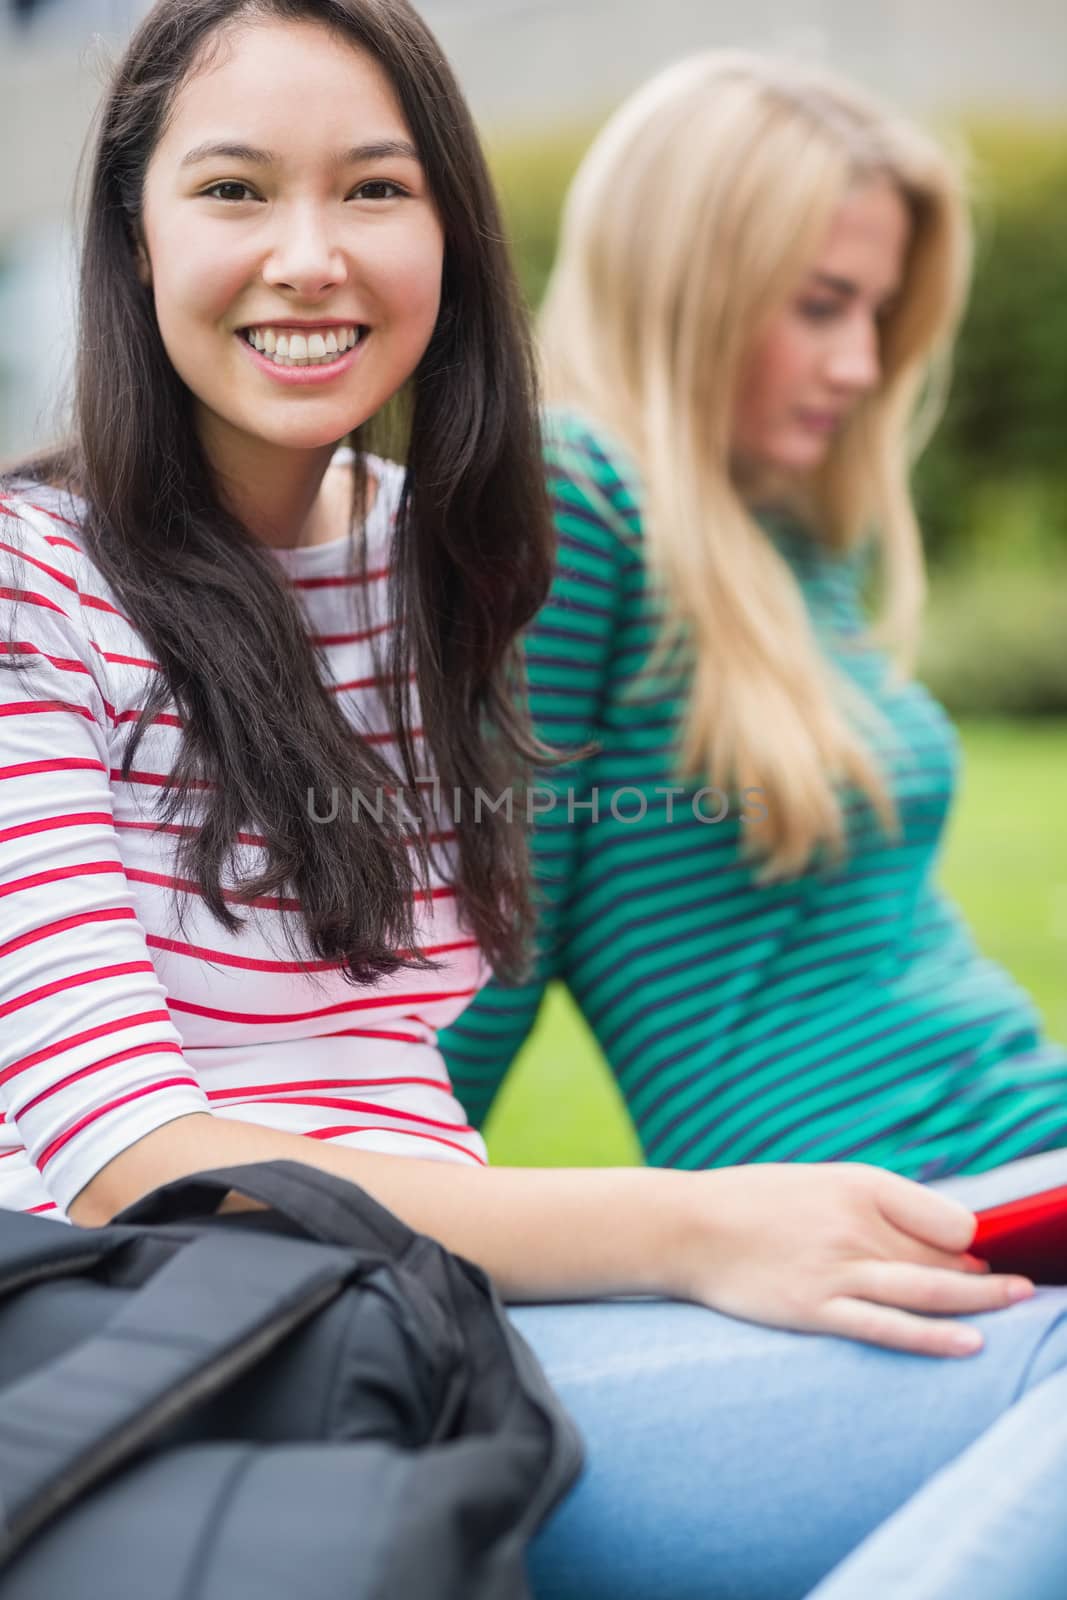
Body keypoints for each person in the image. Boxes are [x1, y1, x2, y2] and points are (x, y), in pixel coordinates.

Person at [1, 11, 1066, 1597]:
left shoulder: (445, 570)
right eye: (232, 191)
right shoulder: (35, 586)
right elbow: (132, 1155)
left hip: (439, 1319)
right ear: (130, 237)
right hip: (202, 1343)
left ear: (454, 237)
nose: (310, 256)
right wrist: (694, 1230)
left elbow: (420, 1043)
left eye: (375, 189)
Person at [439, 51, 1067, 1198]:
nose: (860, 364)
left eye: (876, 312)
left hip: (1020, 1140)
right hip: (889, 1205)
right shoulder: (573, 502)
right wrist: (322, 1241)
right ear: (689, 286)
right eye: (821, 305)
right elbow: (486, 944)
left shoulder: (790, 529)